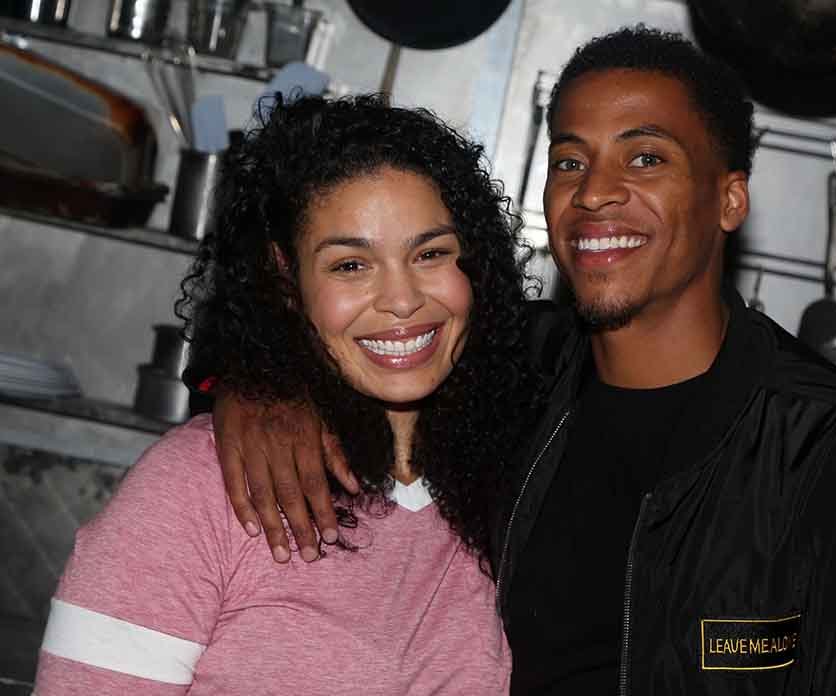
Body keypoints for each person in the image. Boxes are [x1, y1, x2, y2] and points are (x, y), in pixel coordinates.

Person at [206, 27, 836, 696]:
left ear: (729, 199)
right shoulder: (511, 369)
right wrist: (261, 386)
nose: (596, 194)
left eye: (645, 158)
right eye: (570, 162)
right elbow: (328, 326)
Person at [33, 93, 539, 694]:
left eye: (430, 254)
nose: (402, 300)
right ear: (287, 281)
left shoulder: (520, 485)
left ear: (475, 265)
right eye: (350, 265)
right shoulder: (201, 486)